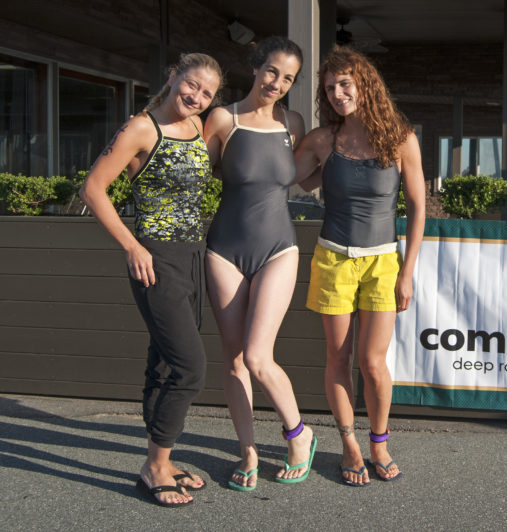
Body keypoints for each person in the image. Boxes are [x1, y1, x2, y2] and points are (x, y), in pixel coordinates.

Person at [79, 53, 223, 507]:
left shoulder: (199, 129)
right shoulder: (142, 128)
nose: (196, 97)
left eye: (206, 93)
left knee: (164, 361)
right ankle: (156, 466)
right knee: (190, 367)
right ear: (173, 76)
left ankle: (160, 458)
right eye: (191, 85)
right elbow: (93, 188)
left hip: (192, 256)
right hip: (154, 259)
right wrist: (133, 246)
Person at [294, 45, 425, 486]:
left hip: (384, 263)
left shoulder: (400, 138)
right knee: (339, 357)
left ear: (364, 84)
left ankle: (379, 443)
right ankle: (349, 444)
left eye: (345, 84)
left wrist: (407, 273)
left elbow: (418, 207)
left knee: (372, 362)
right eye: (330, 87)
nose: (337, 93)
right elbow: (287, 176)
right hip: (333, 259)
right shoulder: (323, 139)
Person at [203, 36, 316, 491]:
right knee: (234, 361)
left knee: (257, 356)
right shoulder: (222, 119)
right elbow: (207, 173)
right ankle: (247, 450)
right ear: (256, 67)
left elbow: (305, 175)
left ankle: (299, 434)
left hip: (278, 248)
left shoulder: (294, 121)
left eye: (288, 78)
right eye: (272, 71)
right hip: (225, 249)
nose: (277, 83)